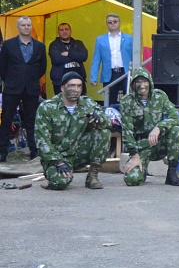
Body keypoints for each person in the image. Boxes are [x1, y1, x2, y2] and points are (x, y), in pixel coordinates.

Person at [35, 72, 110, 189]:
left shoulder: (87, 103)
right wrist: (57, 161)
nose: (76, 90)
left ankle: (92, 176)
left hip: (79, 152)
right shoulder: (47, 107)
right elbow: (42, 140)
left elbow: (108, 123)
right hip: (57, 156)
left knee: (103, 131)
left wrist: (98, 118)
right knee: (59, 183)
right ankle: (57, 173)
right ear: (62, 88)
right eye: (72, 86)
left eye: (79, 86)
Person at [118, 67, 179, 187]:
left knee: (177, 131)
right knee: (132, 180)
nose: (142, 85)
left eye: (145, 81)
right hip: (140, 147)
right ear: (133, 84)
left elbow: (176, 118)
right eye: (138, 82)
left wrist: (159, 127)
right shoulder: (126, 102)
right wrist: (134, 155)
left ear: (150, 82)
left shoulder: (160, 96)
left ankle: (172, 174)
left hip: (158, 143)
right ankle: (142, 170)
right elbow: (127, 131)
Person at [0, 16, 47, 161]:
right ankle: (2, 152)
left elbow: (42, 68)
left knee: (32, 121)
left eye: (28, 25)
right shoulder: (8, 45)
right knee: (6, 120)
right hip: (12, 87)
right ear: (18, 27)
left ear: (31, 27)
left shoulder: (40, 46)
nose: (26, 27)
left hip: (31, 88)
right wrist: (12, 79)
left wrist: (30, 79)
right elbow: (2, 67)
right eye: (23, 25)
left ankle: (34, 151)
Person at [90, 13, 133, 106]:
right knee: (110, 100)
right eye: (110, 22)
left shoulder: (129, 38)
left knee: (129, 99)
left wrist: (136, 72)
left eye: (115, 21)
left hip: (126, 72)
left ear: (119, 23)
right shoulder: (100, 40)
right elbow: (96, 59)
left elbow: (135, 56)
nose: (112, 23)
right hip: (109, 73)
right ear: (107, 24)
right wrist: (93, 77)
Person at [48, 23, 89, 96]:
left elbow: (83, 56)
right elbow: (56, 59)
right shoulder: (54, 45)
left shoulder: (78, 43)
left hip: (78, 80)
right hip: (60, 81)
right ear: (58, 32)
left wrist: (68, 54)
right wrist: (76, 57)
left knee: (80, 102)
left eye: (66, 29)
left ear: (71, 31)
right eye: (61, 30)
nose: (64, 31)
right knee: (62, 102)